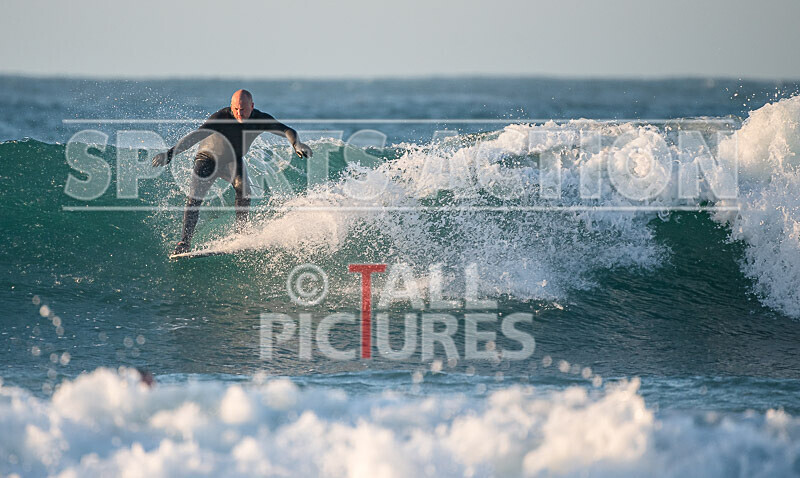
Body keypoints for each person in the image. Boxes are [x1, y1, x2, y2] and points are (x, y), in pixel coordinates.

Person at [151, 89, 312, 254]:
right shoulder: (221, 118)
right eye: (236, 109)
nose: (239, 113)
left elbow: (286, 130)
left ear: (252, 106)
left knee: (244, 190)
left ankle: (241, 234)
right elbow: (195, 137)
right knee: (194, 197)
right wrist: (169, 154)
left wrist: (296, 144)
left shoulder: (260, 118)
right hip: (207, 159)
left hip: (232, 160)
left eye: (243, 109)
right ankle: (184, 243)